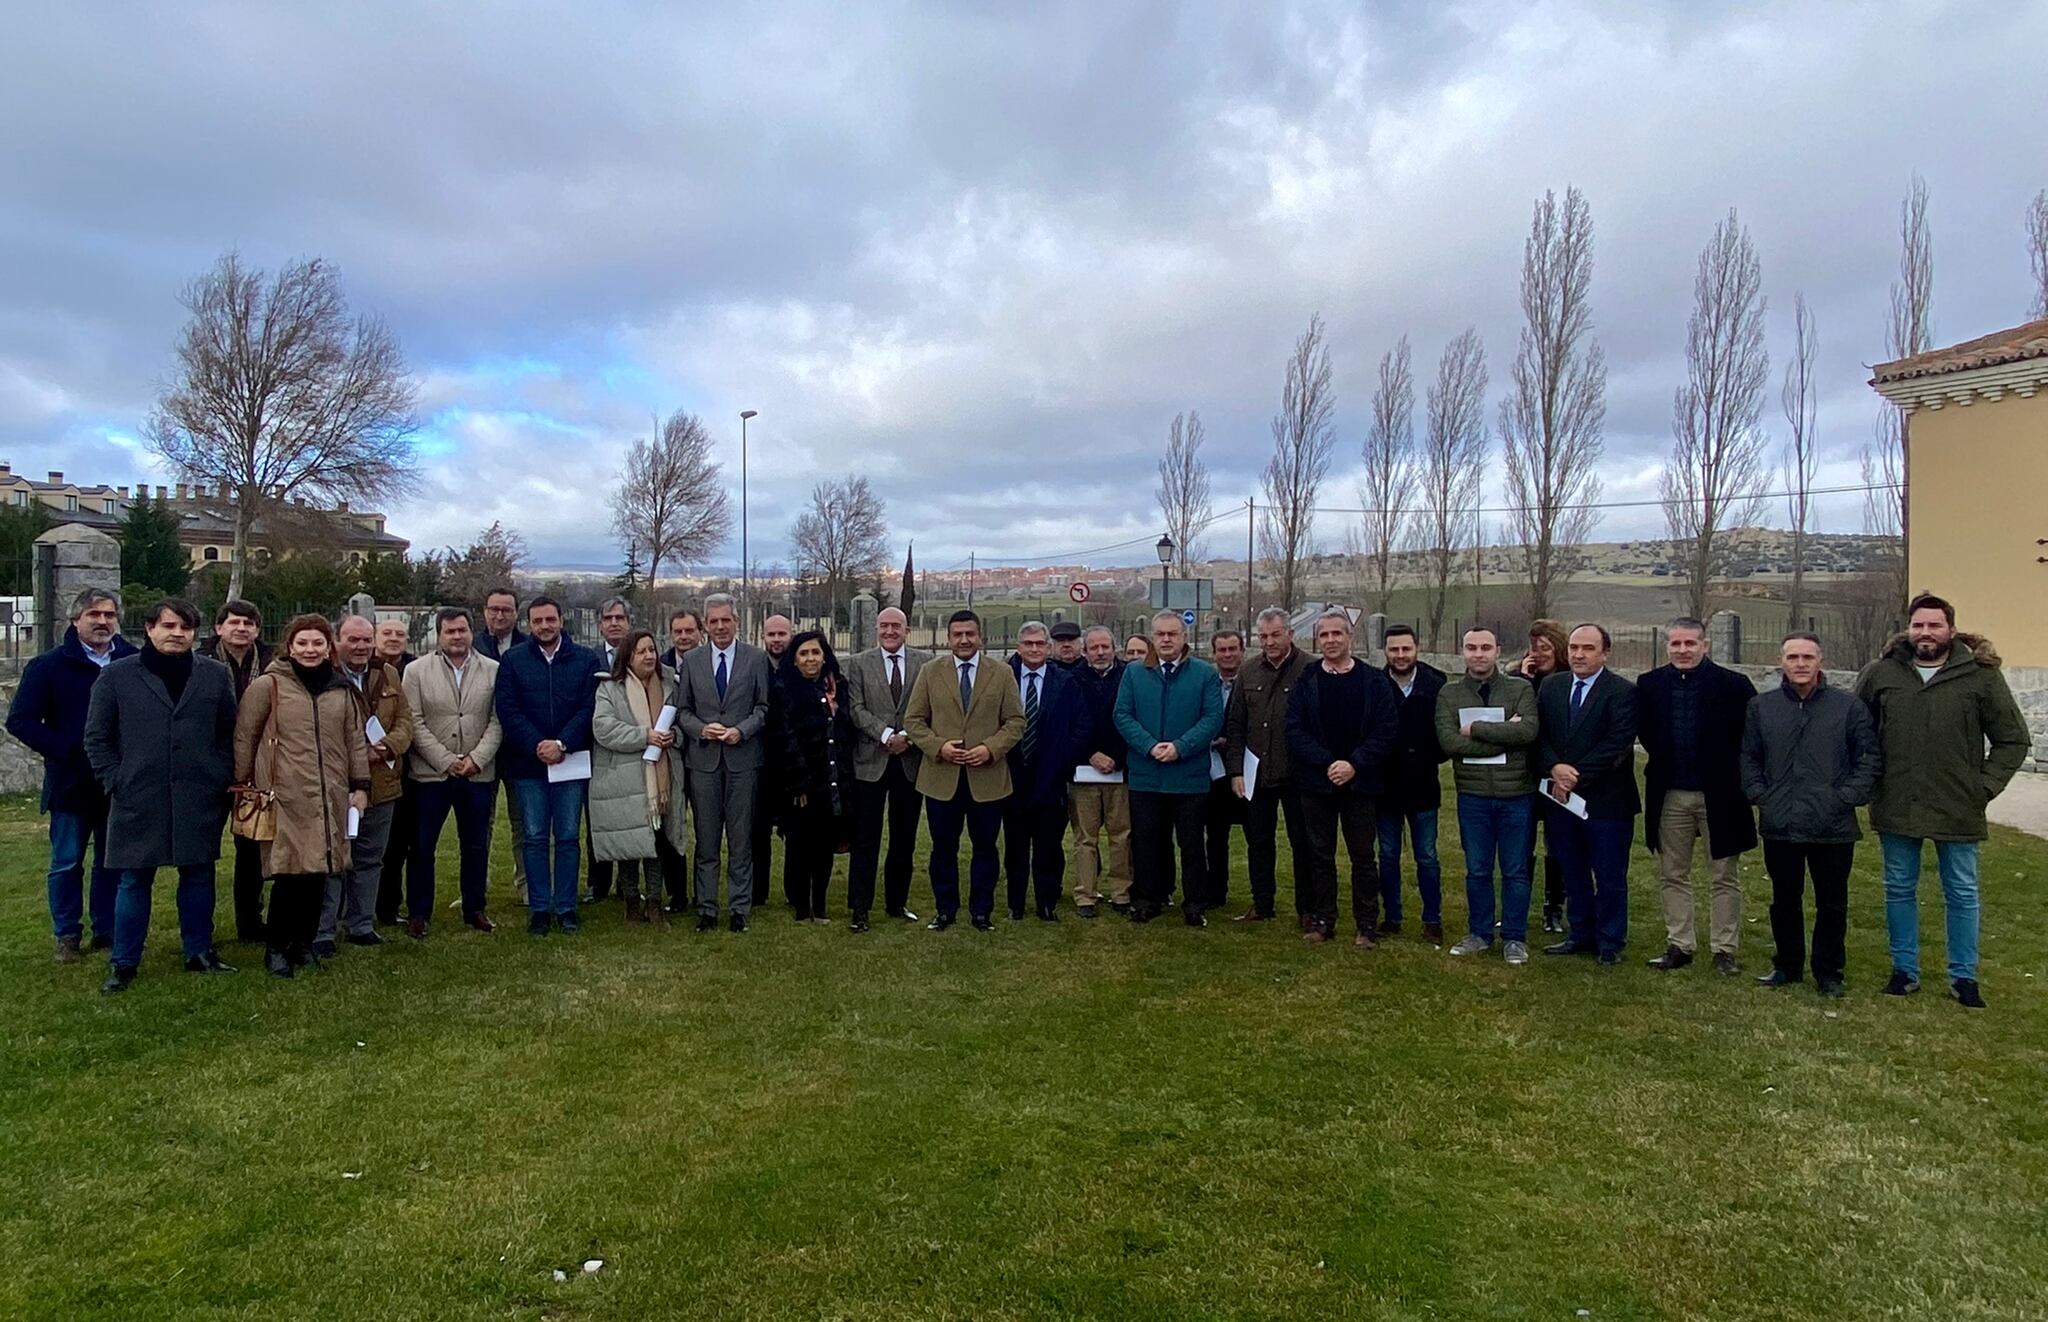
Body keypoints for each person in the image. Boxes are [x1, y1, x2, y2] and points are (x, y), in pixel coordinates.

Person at [1855, 592, 2031, 1008]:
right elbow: (1856, 731)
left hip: (1958, 804)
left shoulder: (1980, 676)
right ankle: (1904, 971)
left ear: (1951, 629)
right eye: (1919, 625)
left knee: (1962, 892)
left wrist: (1983, 787)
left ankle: (1964, 977)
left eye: (1935, 625)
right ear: (1908, 629)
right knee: (1899, 888)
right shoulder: (1881, 674)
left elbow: (2012, 740)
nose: (1926, 632)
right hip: (1898, 801)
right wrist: (1868, 781)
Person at [84, 598, 240, 992]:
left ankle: (199, 952)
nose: (177, 634)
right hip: (138, 795)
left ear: (195, 633)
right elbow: (97, 737)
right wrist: (115, 780)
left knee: (198, 877)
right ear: (150, 628)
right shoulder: (117, 677)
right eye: (168, 626)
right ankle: (124, 962)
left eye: (185, 628)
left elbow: (228, 733)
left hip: (197, 794)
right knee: (134, 881)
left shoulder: (215, 676)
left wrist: (218, 775)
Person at [233, 614, 372, 979]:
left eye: (317, 643)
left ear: (328, 648)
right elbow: (245, 735)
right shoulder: (269, 686)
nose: (310, 650)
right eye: (302, 643)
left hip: (330, 795)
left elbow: (355, 741)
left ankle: (304, 943)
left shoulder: (341, 690)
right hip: (285, 794)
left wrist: (360, 787)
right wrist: (243, 782)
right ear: (289, 647)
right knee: (290, 873)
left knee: (319, 872)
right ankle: (277, 946)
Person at [1743, 632, 1880, 998]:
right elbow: (1749, 757)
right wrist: (1761, 795)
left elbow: (1867, 760)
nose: (1800, 664)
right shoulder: (1763, 707)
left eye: (1807, 657)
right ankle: (1787, 965)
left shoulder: (1848, 708)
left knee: (1831, 903)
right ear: (1781, 662)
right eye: (1792, 657)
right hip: (1780, 822)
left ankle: (1829, 970)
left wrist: (1845, 798)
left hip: (1832, 824)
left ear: (1821, 661)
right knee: (1784, 899)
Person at [6, 587, 136, 962]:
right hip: (70, 782)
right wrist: (64, 749)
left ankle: (106, 929)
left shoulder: (132, 661)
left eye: (109, 615)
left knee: (112, 861)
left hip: (118, 781)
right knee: (66, 862)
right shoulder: (48, 666)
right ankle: (66, 934)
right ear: (75, 620)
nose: (102, 622)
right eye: (94, 615)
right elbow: (20, 720)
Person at [1635, 617, 1758, 975]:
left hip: (1721, 794)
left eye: (1690, 643)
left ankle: (1724, 949)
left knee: (1723, 875)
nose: (1683, 650)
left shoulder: (1734, 686)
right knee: (1673, 872)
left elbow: (1749, 739)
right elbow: (1646, 734)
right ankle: (1680, 944)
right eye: (1676, 644)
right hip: (1670, 793)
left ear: (1705, 645)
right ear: (1667, 646)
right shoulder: (1650, 685)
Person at [903, 609, 1025, 931]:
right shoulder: (931, 672)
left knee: (985, 847)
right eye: (957, 634)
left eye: (970, 634)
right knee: (943, 847)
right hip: (942, 777)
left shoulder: (1001, 673)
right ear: (949, 638)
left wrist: (991, 749)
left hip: (988, 778)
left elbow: (1016, 722)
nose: (964, 640)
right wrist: (938, 746)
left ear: (980, 636)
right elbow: (913, 721)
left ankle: (981, 911)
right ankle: (945, 910)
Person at [1285, 609, 1399, 947]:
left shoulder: (1374, 680)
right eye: (1324, 635)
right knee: (1320, 855)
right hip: (1316, 782)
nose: (1331, 640)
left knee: (1363, 856)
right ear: (1317, 640)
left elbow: (1386, 729)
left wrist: (1354, 764)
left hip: (1360, 782)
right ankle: (1323, 920)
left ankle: (1366, 924)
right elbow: (1294, 729)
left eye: (1337, 634)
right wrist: (1327, 763)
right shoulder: (1306, 681)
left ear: (1350, 637)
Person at [494, 596, 601, 935]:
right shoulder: (513, 661)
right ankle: (540, 908)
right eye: (537, 621)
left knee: (568, 837)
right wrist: (537, 745)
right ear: (529, 624)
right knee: (535, 837)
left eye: (550, 620)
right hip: (528, 764)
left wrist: (562, 743)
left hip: (570, 761)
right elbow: (508, 710)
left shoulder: (584, 660)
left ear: (561, 621)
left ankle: (567, 907)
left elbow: (588, 708)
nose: (544, 626)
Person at [1537, 623, 1640, 966]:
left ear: (1605, 653)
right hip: (1560, 800)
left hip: (1607, 802)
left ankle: (1610, 941)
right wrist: (1553, 767)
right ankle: (1579, 932)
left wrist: (1572, 776)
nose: (1579, 655)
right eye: (1574, 648)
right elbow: (1539, 735)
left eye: (1588, 648)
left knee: (1609, 875)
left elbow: (1618, 743)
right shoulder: (1551, 686)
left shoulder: (1622, 691)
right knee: (1572, 870)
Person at [1435, 627, 1539, 964]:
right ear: (1462, 652)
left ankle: (1514, 937)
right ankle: (1479, 933)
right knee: (1477, 869)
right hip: (1473, 795)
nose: (1478, 654)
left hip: (1516, 795)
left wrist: (1476, 730)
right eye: (1471, 648)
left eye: (1485, 647)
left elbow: (1528, 732)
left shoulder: (1520, 688)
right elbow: (1450, 743)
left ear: (1498, 650)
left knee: (1515, 870)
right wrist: (1505, 736)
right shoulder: (1449, 694)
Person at [1115, 611, 1226, 927]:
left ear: (1184, 637)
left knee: (1191, 844)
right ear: (1153, 636)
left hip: (1188, 775)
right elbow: (1122, 714)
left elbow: (1212, 718)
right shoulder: (1135, 673)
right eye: (1160, 634)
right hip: (1146, 774)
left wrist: (1180, 747)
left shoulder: (1204, 674)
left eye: (1172, 634)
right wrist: (1149, 745)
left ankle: (1195, 903)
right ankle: (1148, 899)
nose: (1165, 639)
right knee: (1147, 841)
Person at [674, 593, 774, 932]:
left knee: (741, 839)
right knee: (706, 840)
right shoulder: (693, 660)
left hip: (742, 761)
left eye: (725, 620)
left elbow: (763, 708)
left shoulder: (756, 659)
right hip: (703, 762)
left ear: (737, 622)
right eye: (713, 621)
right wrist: (702, 728)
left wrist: (740, 731)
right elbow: (682, 710)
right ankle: (706, 908)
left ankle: (739, 908)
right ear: (705, 624)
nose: (720, 627)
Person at [316, 614, 413, 956]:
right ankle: (324, 930)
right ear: (336, 640)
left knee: (371, 858)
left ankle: (361, 923)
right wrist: (357, 754)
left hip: (382, 781)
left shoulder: (386, 674)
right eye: (352, 640)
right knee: (333, 858)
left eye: (365, 640)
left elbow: (404, 719)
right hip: (337, 783)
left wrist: (387, 747)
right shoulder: (324, 676)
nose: (360, 647)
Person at [403, 607, 502, 935]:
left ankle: (475, 909)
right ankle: (419, 913)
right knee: (422, 846)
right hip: (431, 775)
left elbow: (498, 720)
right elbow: (413, 721)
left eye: (462, 630)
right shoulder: (416, 671)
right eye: (450, 631)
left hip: (477, 772)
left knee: (475, 845)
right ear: (438, 634)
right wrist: (445, 760)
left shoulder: (493, 670)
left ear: (471, 631)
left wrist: (476, 759)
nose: (457, 636)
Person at [1222, 607, 1314, 925]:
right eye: (1263, 636)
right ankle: (1262, 904)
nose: (1269, 642)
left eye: (1275, 635)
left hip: (1298, 773)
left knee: (1302, 842)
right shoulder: (1248, 672)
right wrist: (1235, 771)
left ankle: (1308, 908)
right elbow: (1235, 725)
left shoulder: (1310, 669)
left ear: (1290, 633)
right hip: (1256, 771)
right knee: (1259, 841)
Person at [590, 628, 688, 924]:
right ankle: (632, 901)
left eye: (652, 650)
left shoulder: (671, 685)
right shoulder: (610, 688)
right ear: (628, 657)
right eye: (641, 651)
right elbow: (603, 729)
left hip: (662, 778)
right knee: (630, 844)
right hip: (626, 779)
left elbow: (684, 725)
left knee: (657, 842)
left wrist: (674, 736)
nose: (649, 656)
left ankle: (655, 901)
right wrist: (645, 736)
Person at [845, 606, 930, 931]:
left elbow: (929, 705)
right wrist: (885, 734)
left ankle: (897, 902)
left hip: (909, 761)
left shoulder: (925, 663)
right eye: (884, 626)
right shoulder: (859, 663)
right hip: (871, 762)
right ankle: (860, 908)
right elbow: (855, 708)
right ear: (876, 630)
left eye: (896, 626)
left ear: (906, 629)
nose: (890, 631)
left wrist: (907, 736)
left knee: (904, 838)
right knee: (865, 838)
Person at [1003, 621, 1088, 921]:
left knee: (1048, 847)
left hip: (1051, 777)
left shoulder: (1065, 682)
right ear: (1019, 647)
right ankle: (1015, 903)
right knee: (1015, 846)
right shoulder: (1004, 678)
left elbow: (1080, 728)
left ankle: (1047, 903)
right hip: (1011, 775)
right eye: (1029, 644)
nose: (1035, 649)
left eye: (1040, 644)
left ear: (1049, 648)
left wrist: (1061, 763)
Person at [773, 630, 858, 923]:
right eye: (804, 654)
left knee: (824, 847)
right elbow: (784, 737)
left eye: (815, 653)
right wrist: (798, 781)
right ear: (794, 660)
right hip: (800, 783)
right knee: (799, 847)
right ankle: (800, 906)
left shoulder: (838, 687)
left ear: (825, 656)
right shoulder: (785, 688)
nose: (810, 659)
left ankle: (820, 907)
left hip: (833, 779)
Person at [204, 599, 273, 942]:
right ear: (219, 628)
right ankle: (201, 929)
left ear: (257, 630)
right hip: (211, 764)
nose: (241, 628)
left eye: (248, 623)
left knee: (251, 848)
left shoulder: (273, 662)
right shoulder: (201, 661)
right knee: (202, 851)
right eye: (234, 622)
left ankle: (250, 922)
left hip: (257, 766)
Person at [1376, 624, 1447, 946]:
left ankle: (1432, 919)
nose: (1400, 655)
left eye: (1406, 649)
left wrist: (1426, 757)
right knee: (1388, 855)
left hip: (1423, 785)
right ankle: (1392, 917)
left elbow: (1446, 734)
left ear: (1417, 648)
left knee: (1427, 856)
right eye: (1394, 649)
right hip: (1386, 786)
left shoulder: (1437, 684)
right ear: (1385, 651)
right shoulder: (1375, 683)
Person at [1068, 625, 1133, 918]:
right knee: (1085, 837)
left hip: (1120, 770)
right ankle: (1086, 894)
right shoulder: (1071, 680)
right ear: (1085, 651)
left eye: (1105, 646)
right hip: (1083, 771)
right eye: (1094, 647)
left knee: (1122, 835)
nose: (1100, 652)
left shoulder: (1129, 677)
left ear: (1114, 648)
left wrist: (1116, 758)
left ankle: (1121, 893)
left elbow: (1133, 718)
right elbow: (1067, 724)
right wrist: (1090, 754)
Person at [475, 586, 529, 906]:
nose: (499, 615)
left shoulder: (528, 647)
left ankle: (526, 884)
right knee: (482, 822)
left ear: (516, 613)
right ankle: (476, 886)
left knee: (524, 822)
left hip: (518, 750)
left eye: (506, 610)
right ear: (485, 611)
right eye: (494, 609)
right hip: (481, 748)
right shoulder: (474, 645)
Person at [1519, 618, 1569, 931]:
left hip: (1554, 771)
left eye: (1546, 648)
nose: (1539, 654)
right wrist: (1525, 679)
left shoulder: (1567, 680)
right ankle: (1518, 905)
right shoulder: (1521, 678)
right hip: (1525, 772)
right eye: (1535, 648)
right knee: (1521, 845)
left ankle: (1554, 907)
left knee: (1557, 844)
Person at [371, 617, 421, 926]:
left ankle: (388, 907)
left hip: (405, 767)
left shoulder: (414, 670)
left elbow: (409, 719)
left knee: (398, 843)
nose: (393, 638)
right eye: (386, 633)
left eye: (399, 634)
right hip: (364, 766)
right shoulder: (365, 669)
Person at [584, 596, 634, 902]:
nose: (614, 623)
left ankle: (628, 885)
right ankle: (597, 883)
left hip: (632, 750)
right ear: (600, 625)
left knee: (630, 818)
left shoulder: (642, 656)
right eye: (608, 618)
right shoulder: (588, 660)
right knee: (597, 820)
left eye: (619, 617)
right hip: (596, 752)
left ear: (629, 622)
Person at [751, 612, 796, 907]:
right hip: (760, 760)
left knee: (795, 832)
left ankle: (794, 892)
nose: (777, 640)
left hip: (793, 763)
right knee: (758, 831)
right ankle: (758, 893)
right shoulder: (754, 666)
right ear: (763, 637)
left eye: (782, 634)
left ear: (791, 634)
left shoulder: (800, 665)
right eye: (772, 635)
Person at [1203, 628, 1247, 914]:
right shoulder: (1206, 683)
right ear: (1214, 653)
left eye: (1233, 649)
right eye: (1222, 650)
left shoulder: (1251, 681)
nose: (1228, 655)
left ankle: (1261, 896)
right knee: (1214, 835)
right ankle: (1215, 891)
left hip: (1245, 768)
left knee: (1256, 834)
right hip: (1212, 769)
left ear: (1242, 651)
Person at [662, 609, 703, 680]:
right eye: (678, 632)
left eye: (689, 631)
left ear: (700, 633)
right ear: (671, 635)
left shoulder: (713, 663)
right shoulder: (661, 667)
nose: (683, 636)